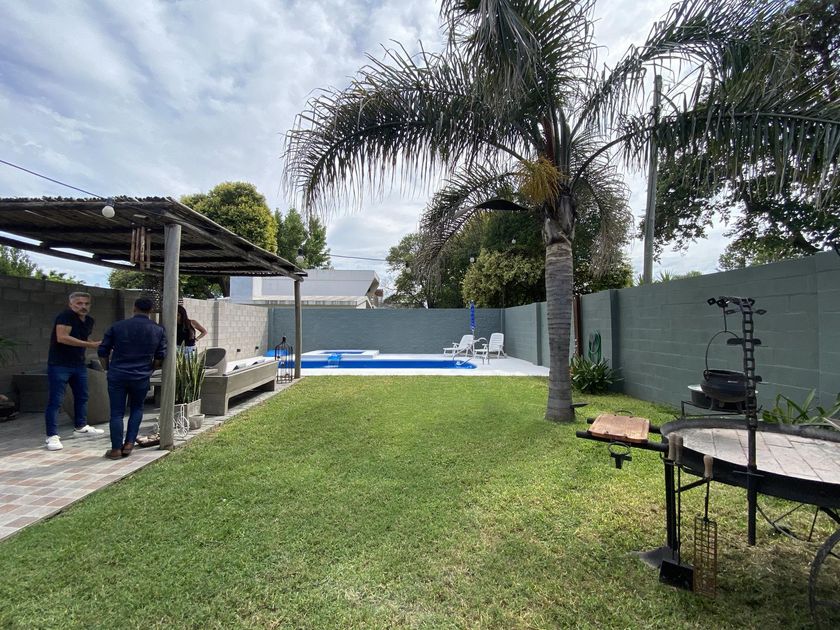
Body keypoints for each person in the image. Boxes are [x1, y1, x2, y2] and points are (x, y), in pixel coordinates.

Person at [98, 297, 167, 460]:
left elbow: (102, 351)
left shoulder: (117, 326)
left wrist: (107, 368)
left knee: (116, 413)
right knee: (137, 408)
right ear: (151, 311)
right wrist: (150, 369)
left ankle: (116, 449)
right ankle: (129, 444)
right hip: (141, 376)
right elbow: (160, 356)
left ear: (134, 308)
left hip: (117, 374)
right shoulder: (158, 330)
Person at [44, 291, 104, 451]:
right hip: (59, 364)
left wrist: (96, 344)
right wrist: (90, 345)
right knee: (56, 400)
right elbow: (62, 337)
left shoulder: (89, 320)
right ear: (71, 304)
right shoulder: (65, 316)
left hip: (78, 364)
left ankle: (81, 426)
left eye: (86, 303)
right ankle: (51, 435)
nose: (83, 306)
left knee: (82, 396)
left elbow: (82, 338)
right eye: (79, 303)